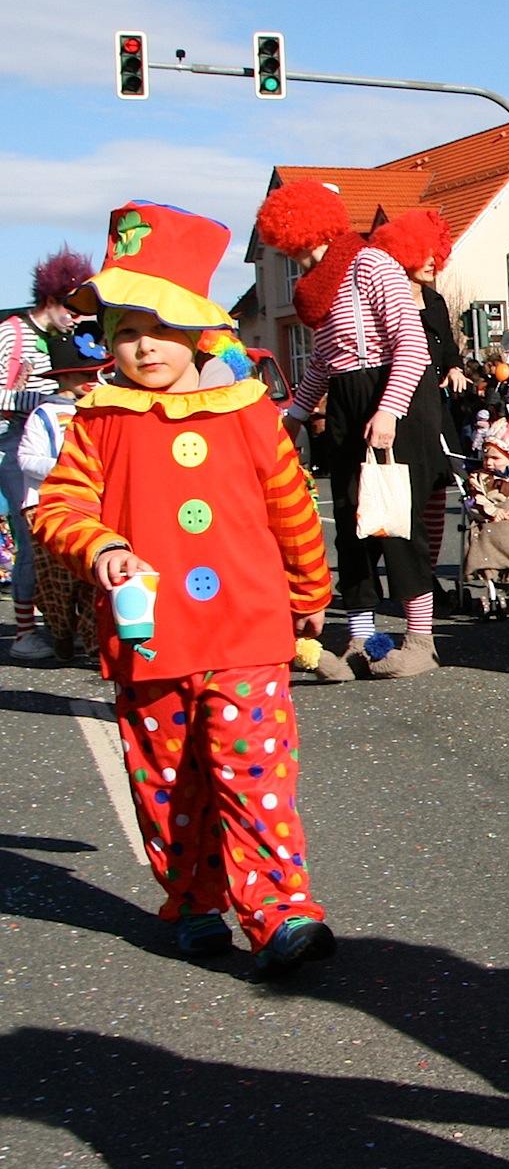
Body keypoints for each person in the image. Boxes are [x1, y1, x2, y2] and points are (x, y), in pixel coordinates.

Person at [33, 201, 336, 977]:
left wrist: (309, 596)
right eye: (125, 331)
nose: (142, 347)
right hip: (151, 639)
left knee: (254, 776)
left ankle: (280, 912)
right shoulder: (99, 420)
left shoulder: (245, 412)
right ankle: (193, 899)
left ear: (196, 331)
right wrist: (98, 545)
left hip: (247, 630)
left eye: (158, 328)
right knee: (169, 785)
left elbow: (292, 508)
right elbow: (60, 508)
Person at [257, 181, 437, 678]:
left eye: (297, 245)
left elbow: (412, 345)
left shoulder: (372, 264)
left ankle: (420, 641)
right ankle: (362, 636)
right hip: (346, 399)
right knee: (351, 526)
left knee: (395, 524)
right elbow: (323, 360)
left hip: (390, 396)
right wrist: (292, 416)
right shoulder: (319, 287)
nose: (297, 257)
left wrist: (389, 410)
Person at [370, 209, 467, 608]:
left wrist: (456, 368)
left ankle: (424, 575)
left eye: (436, 254)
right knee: (385, 494)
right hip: (393, 403)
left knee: (432, 493)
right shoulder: (383, 297)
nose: (432, 261)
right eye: (423, 252)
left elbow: (447, 348)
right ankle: (380, 573)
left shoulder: (435, 301)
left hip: (431, 407)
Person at [1, 246, 94, 660]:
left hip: (47, 437)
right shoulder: (12, 333)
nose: (75, 318)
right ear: (51, 298)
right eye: (70, 308)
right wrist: (46, 400)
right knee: (29, 536)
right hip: (11, 442)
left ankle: (60, 625)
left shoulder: (62, 340)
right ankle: (24, 633)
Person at [18, 323, 111, 660]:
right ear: (63, 378)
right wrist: (65, 467)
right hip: (43, 507)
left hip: (86, 504)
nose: (92, 379)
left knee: (90, 576)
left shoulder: (97, 410)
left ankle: (93, 641)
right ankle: (60, 633)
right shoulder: (45, 414)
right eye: (82, 373)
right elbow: (26, 459)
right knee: (57, 581)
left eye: (95, 372)